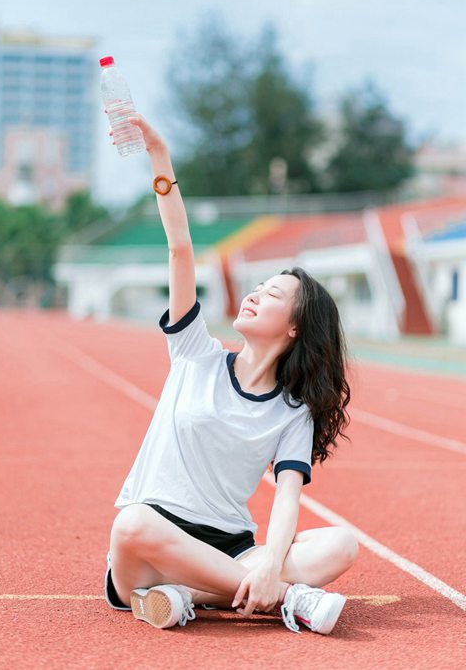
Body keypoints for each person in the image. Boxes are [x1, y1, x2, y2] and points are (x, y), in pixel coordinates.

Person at [103, 112, 358, 635]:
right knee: (130, 522)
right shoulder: (195, 351)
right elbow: (180, 247)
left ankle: (187, 597)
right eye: (258, 285)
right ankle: (287, 600)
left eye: (273, 294)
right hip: (151, 545)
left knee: (342, 543)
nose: (255, 293)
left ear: (294, 329)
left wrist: (266, 559)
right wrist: (159, 157)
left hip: (231, 546)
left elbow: (288, 499)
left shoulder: (292, 411)